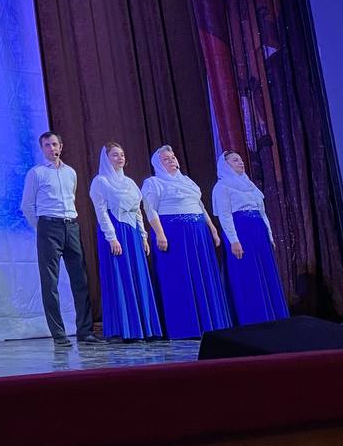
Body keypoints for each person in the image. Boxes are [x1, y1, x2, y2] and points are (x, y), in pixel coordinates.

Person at [141, 145, 230, 338]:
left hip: (198, 232)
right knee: (179, 276)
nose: (171, 160)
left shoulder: (188, 181)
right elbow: (150, 209)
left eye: (173, 157)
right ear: (158, 164)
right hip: (174, 233)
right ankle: (184, 326)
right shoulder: (153, 183)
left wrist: (212, 229)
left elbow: (200, 206)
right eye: (166, 159)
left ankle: (209, 324)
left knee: (202, 274)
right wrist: (160, 234)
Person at [20, 131, 97, 346]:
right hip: (48, 226)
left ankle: (85, 331)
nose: (51, 148)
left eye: (54, 144)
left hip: (71, 226)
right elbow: (27, 206)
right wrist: (43, 227)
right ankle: (59, 334)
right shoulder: (36, 173)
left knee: (80, 279)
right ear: (42, 148)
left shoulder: (70, 172)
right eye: (47, 145)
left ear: (61, 146)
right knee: (50, 281)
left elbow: (72, 197)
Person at [89, 143, 161, 341]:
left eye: (122, 154)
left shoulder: (129, 182)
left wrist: (143, 236)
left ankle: (144, 327)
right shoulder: (100, 181)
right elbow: (101, 211)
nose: (120, 158)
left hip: (132, 233)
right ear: (106, 158)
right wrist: (111, 237)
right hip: (115, 231)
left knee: (138, 274)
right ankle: (126, 328)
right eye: (115, 155)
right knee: (121, 276)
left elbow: (138, 211)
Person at [212, 151, 288, 324]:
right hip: (240, 232)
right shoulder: (222, 187)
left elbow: (262, 212)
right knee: (247, 273)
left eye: (240, 159)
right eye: (235, 160)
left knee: (266, 271)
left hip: (258, 231)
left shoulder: (250, 185)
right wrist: (234, 240)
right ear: (225, 165)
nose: (241, 162)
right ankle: (253, 317)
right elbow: (225, 215)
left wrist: (269, 236)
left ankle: (274, 315)